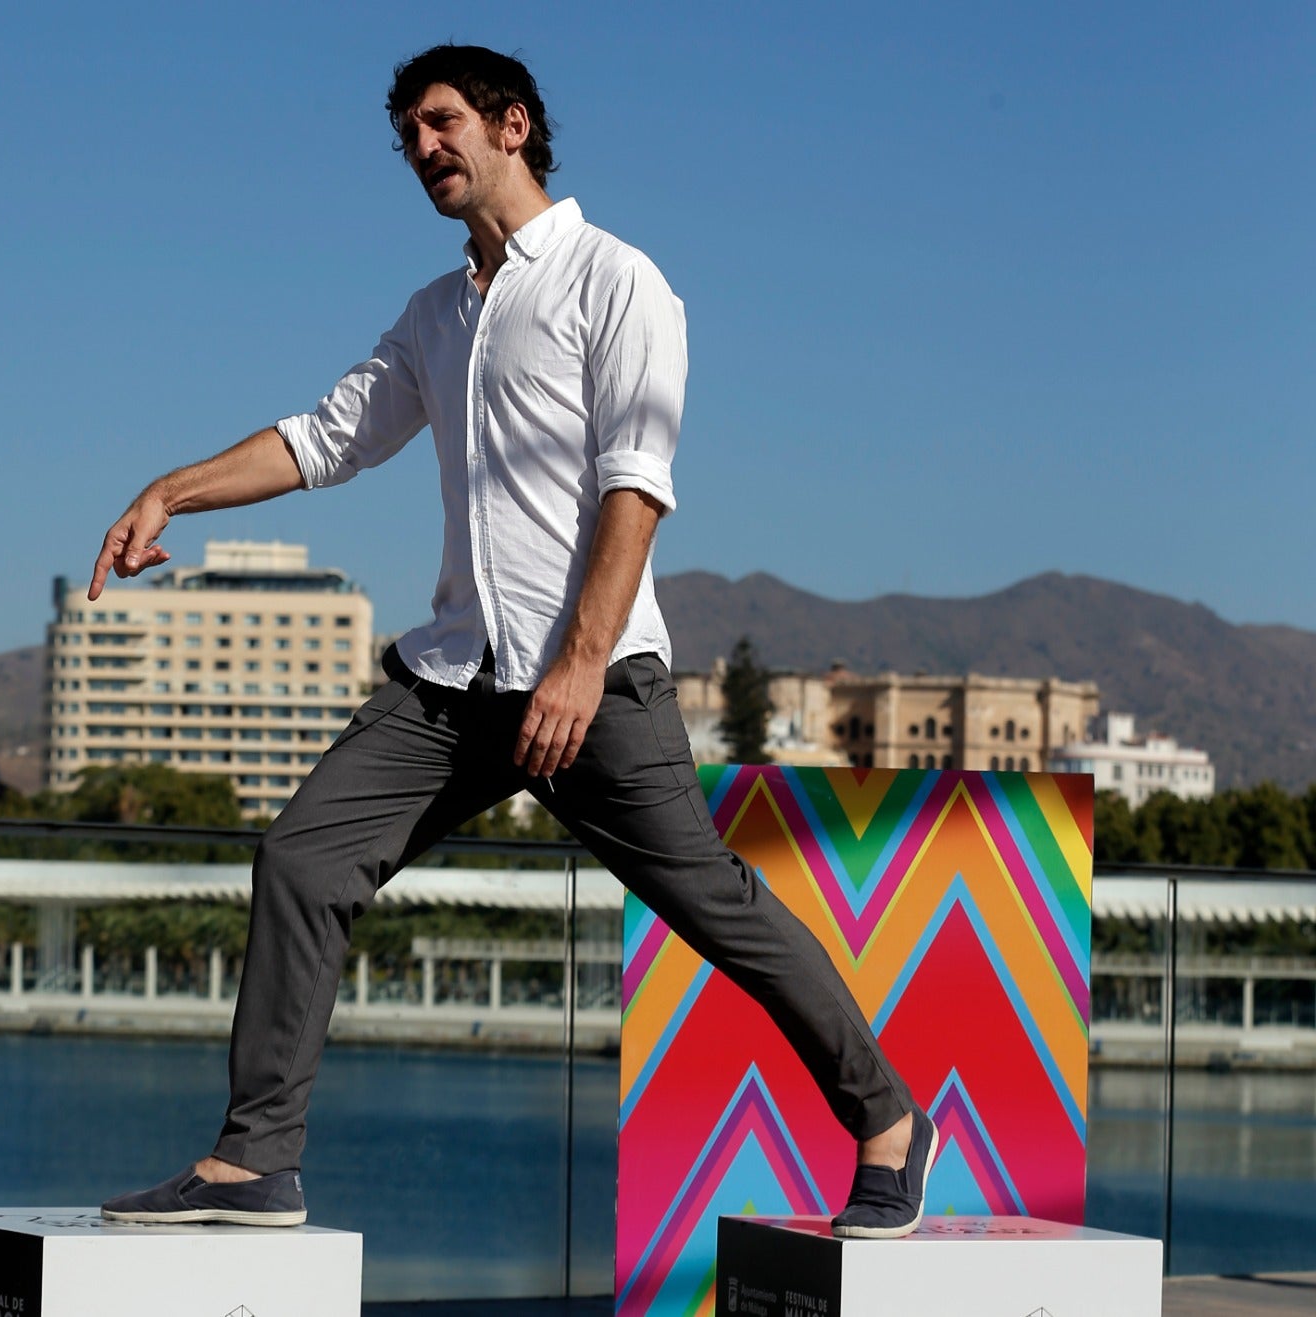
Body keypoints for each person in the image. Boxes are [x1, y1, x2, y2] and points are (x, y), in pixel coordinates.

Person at [93, 43, 934, 1240]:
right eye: (407, 138)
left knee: (710, 903)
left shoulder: (615, 281)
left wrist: (582, 664)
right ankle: (253, 1163)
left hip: (588, 679)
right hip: (449, 683)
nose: (422, 151)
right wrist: (171, 492)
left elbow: (634, 485)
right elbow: (324, 439)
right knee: (302, 859)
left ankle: (888, 1119)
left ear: (512, 123)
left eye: (440, 124)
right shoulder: (436, 313)